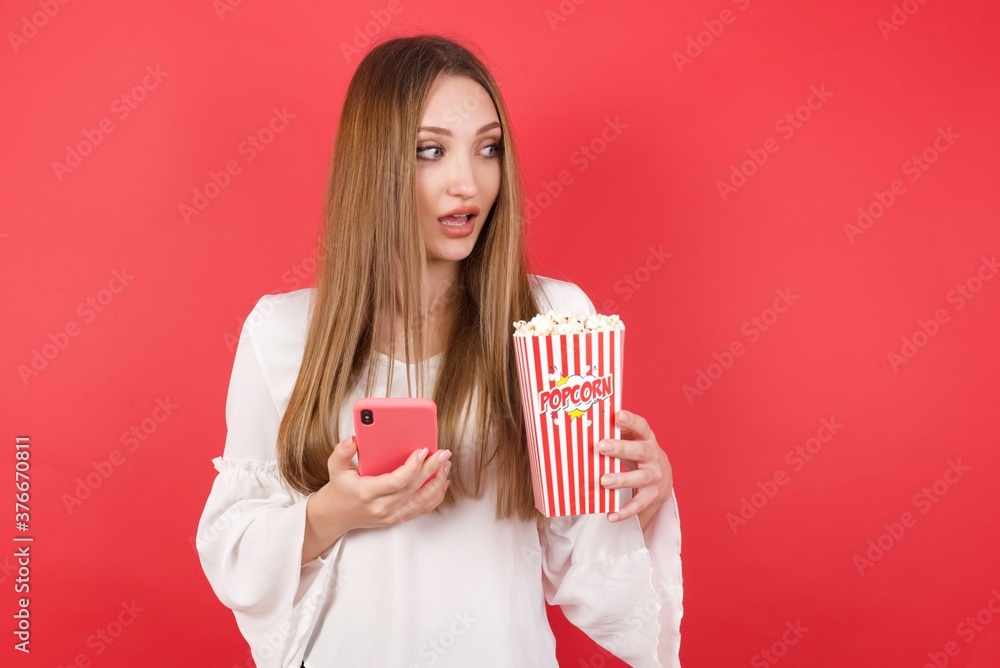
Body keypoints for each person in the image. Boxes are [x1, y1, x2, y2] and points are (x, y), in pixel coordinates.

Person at [196, 34, 683, 668]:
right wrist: (329, 513)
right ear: (376, 166)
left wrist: (639, 494)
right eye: (431, 151)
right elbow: (233, 553)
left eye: (489, 149)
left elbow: (586, 558)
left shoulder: (554, 322)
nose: (468, 182)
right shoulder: (283, 333)